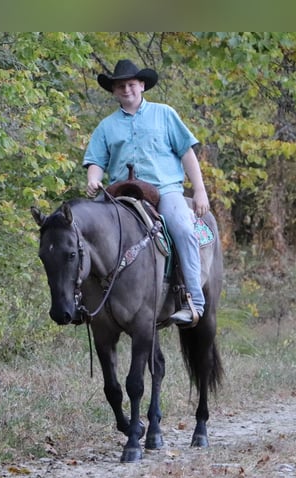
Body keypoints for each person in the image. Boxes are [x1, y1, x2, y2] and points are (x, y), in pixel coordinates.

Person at [83, 59, 210, 326]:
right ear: (114, 91)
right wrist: (93, 180)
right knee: (84, 231)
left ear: (141, 85)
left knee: (182, 227)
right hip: (120, 192)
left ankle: (193, 301)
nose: (126, 90)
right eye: (120, 86)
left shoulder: (164, 114)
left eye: (131, 84)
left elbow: (186, 152)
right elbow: (96, 161)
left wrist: (199, 190)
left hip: (164, 190)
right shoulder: (106, 126)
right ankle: (84, 301)